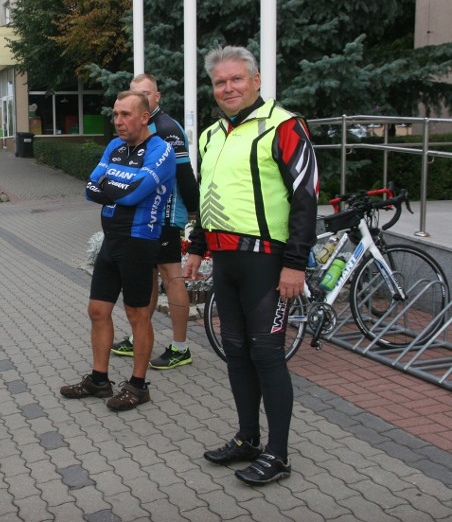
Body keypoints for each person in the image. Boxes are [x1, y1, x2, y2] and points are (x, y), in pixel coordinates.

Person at [184, 47, 318, 485]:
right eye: (220, 82)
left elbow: (305, 198)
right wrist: (197, 247)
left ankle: (278, 454)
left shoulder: (284, 126)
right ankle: (247, 439)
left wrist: (295, 264)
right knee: (236, 353)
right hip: (225, 260)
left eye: (236, 79)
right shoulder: (210, 135)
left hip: (267, 261)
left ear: (256, 81)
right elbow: (208, 194)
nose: (228, 88)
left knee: (267, 355)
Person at [60, 90, 175, 412]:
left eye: (126, 115)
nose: (119, 121)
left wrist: (115, 185)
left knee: (137, 315)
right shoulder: (114, 147)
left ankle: (138, 386)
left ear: (144, 117)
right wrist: (119, 186)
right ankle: (99, 379)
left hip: (140, 241)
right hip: (111, 239)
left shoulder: (161, 151)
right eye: (115, 114)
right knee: (97, 310)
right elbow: (90, 188)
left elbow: (134, 192)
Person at [111, 74, 200, 370]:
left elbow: (186, 175)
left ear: (157, 96)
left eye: (146, 94)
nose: (142, 98)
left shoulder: (167, 129)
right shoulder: (139, 128)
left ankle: (180, 346)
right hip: (143, 215)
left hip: (165, 214)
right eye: (136, 94)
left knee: (170, 273)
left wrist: (196, 214)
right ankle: (140, 337)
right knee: (146, 274)